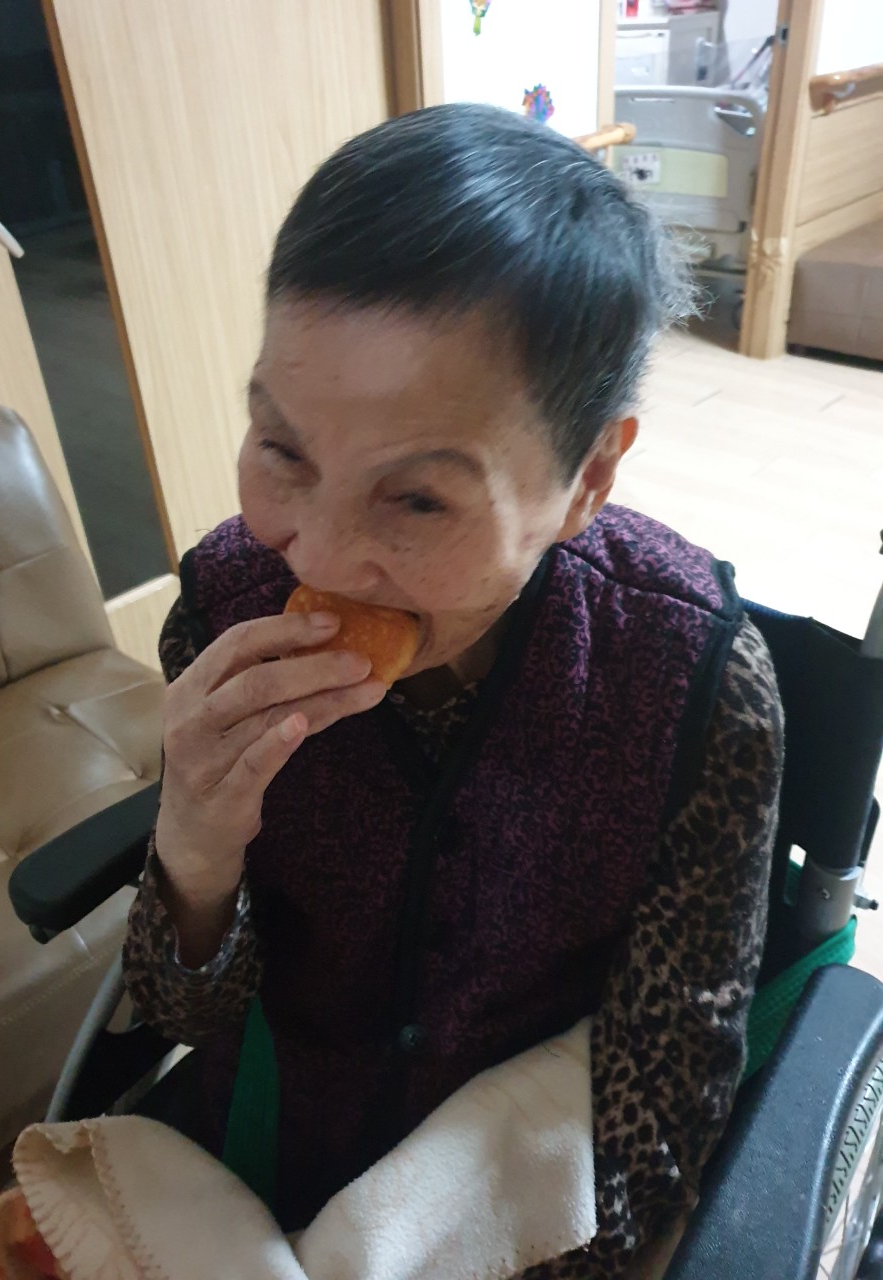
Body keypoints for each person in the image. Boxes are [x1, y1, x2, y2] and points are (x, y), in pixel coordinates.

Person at [123, 103, 783, 1277]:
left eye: (418, 498)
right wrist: (195, 849)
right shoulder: (224, 604)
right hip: (272, 1151)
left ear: (587, 478)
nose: (318, 555)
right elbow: (180, 1017)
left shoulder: (692, 681)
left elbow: (666, 1092)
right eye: (282, 449)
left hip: (523, 1186)